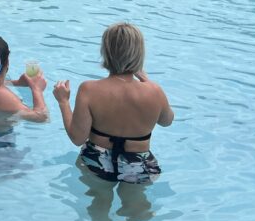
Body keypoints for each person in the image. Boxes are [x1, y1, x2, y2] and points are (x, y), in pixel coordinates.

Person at [53, 23, 173, 184]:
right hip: (139, 163)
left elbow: (77, 138)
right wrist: (147, 81)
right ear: (139, 55)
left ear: (106, 52)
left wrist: (63, 102)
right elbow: (167, 121)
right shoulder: (154, 92)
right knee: (138, 207)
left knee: (98, 205)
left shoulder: (89, 89)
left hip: (96, 160)